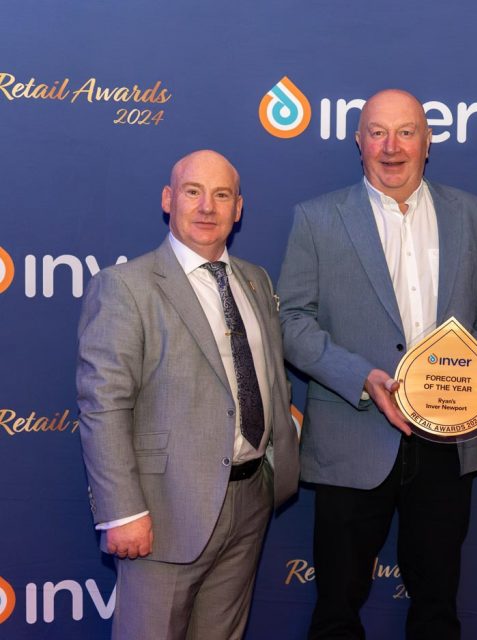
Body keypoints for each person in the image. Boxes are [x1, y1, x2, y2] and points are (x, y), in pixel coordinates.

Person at [277, 88, 477, 640]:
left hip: (447, 439)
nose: (391, 147)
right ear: (358, 142)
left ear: (427, 143)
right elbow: (290, 322)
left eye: (406, 132)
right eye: (377, 133)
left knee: (437, 609)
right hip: (352, 436)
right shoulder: (318, 218)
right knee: (337, 611)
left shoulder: (470, 213)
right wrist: (361, 377)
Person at [76, 149, 299, 639]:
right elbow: (104, 407)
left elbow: (265, 377)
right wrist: (122, 511)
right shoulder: (125, 287)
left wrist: (275, 465)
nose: (207, 207)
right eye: (193, 192)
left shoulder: (256, 280)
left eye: (222, 195)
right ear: (168, 199)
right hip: (164, 511)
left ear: (238, 208)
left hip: (250, 500)